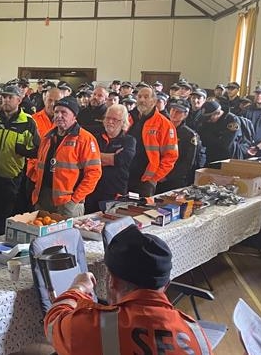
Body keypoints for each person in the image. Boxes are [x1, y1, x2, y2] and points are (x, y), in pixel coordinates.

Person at [45, 225, 213, 354]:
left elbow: (53, 324)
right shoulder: (197, 335)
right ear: (166, 285)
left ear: (112, 281)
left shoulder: (95, 327)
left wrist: (78, 288)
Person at [0, 86, 40, 238]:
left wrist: (23, 151)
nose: (5, 100)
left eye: (9, 98)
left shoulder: (28, 122)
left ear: (19, 100)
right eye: (4, 97)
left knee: (1, 216)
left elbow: (38, 150)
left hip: (12, 177)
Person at [30, 98, 101, 218]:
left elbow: (94, 174)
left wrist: (74, 200)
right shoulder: (47, 137)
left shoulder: (85, 139)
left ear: (74, 116)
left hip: (68, 204)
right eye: (56, 112)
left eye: (64, 112)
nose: (59, 116)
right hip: (43, 199)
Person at [128, 87, 179, 198]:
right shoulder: (130, 118)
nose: (141, 100)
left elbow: (170, 157)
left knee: (139, 213)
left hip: (145, 181)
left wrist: (154, 178)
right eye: (139, 97)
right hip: (125, 176)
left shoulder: (164, 124)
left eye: (146, 97)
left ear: (154, 101)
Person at [85, 104, 136, 213]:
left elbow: (121, 159)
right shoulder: (94, 137)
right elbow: (85, 158)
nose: (110, 122)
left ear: (123, 122)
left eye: (115, 119)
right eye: (108, 118)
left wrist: (96, 156)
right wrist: (111, 156)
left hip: (114, 191)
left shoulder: (129, 141)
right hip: (92, 190)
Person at [157, 101, 203, 194]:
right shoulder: (161, 128)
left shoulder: (189, 135)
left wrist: (167, 176)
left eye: (178, 112)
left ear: (185, 115)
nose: (174, 113)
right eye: (173, 110)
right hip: (157, 174)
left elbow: (187, 162)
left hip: (175, 179)